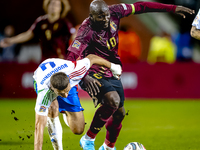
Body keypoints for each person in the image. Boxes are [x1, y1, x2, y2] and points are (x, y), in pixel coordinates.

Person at [66, 1, 194, 150]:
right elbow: (70, 58)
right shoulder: (86, 30)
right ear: (92, 17)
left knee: (119, 113)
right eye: (101, 17)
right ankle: (88, 139)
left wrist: (171, 8)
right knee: (113, 101)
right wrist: (83, 77)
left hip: (112, 70)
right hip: (91, 73)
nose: (106, 19)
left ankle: (108, 147)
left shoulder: (115, 11)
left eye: (106, 15)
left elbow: (141, 6)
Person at [33, 54, 122, 150]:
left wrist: (113, 67)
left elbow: (91, 58)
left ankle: (65, 111)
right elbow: (39, 126)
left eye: (67, 91)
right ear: (52, 88)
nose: (65, 95)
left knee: (78, 129)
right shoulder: (44, 93)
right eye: (61, 94)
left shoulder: (75, 70)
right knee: (52, 107)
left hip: (62, 74)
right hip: (43, 78)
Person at [0, 0, 75, 61]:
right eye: (52, 4)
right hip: (44, 61)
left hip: (60, 62)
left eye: (57, 5)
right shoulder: (40, 21)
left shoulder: (65, 23)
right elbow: (28, 34)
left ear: (61, 8)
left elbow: (75, 38)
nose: (54, 7)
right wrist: (11, 40)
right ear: (47, 6)